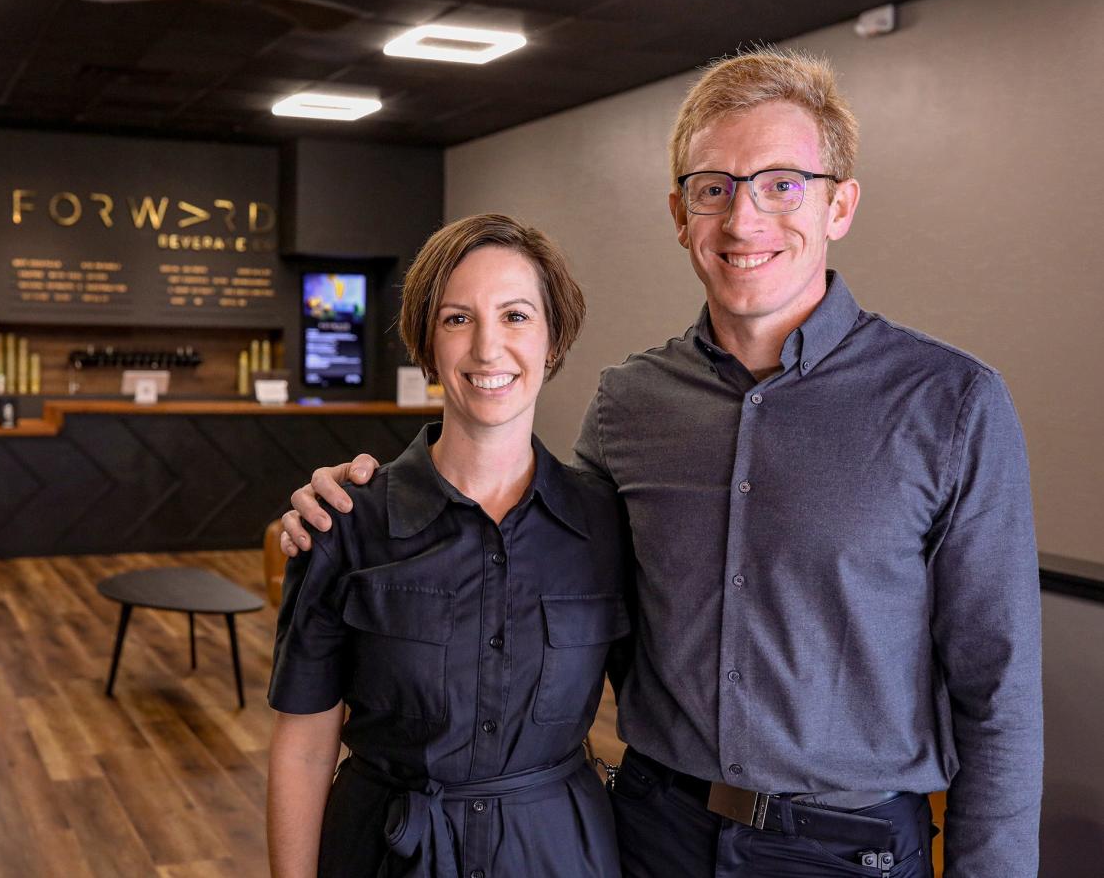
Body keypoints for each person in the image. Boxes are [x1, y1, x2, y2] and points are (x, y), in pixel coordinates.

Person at [280, 47, 1042, 877]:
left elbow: (998, 695)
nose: (744, 220)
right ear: (681, 215)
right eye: (714, 188)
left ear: (841, 205)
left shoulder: (952, 403)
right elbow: (529, 558)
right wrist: (341, 509)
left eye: (782, 184)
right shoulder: (627, 403)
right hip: (651, 832)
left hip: (845, 848)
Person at [265, 213, 632, 878]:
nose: (489, 348)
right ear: (427, 345)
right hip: (383, 851)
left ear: (553, 339)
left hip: (556, 854)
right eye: (458, 319)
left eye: (516, 315)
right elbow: (304, 747)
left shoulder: (605, 523)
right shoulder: (347, 520)